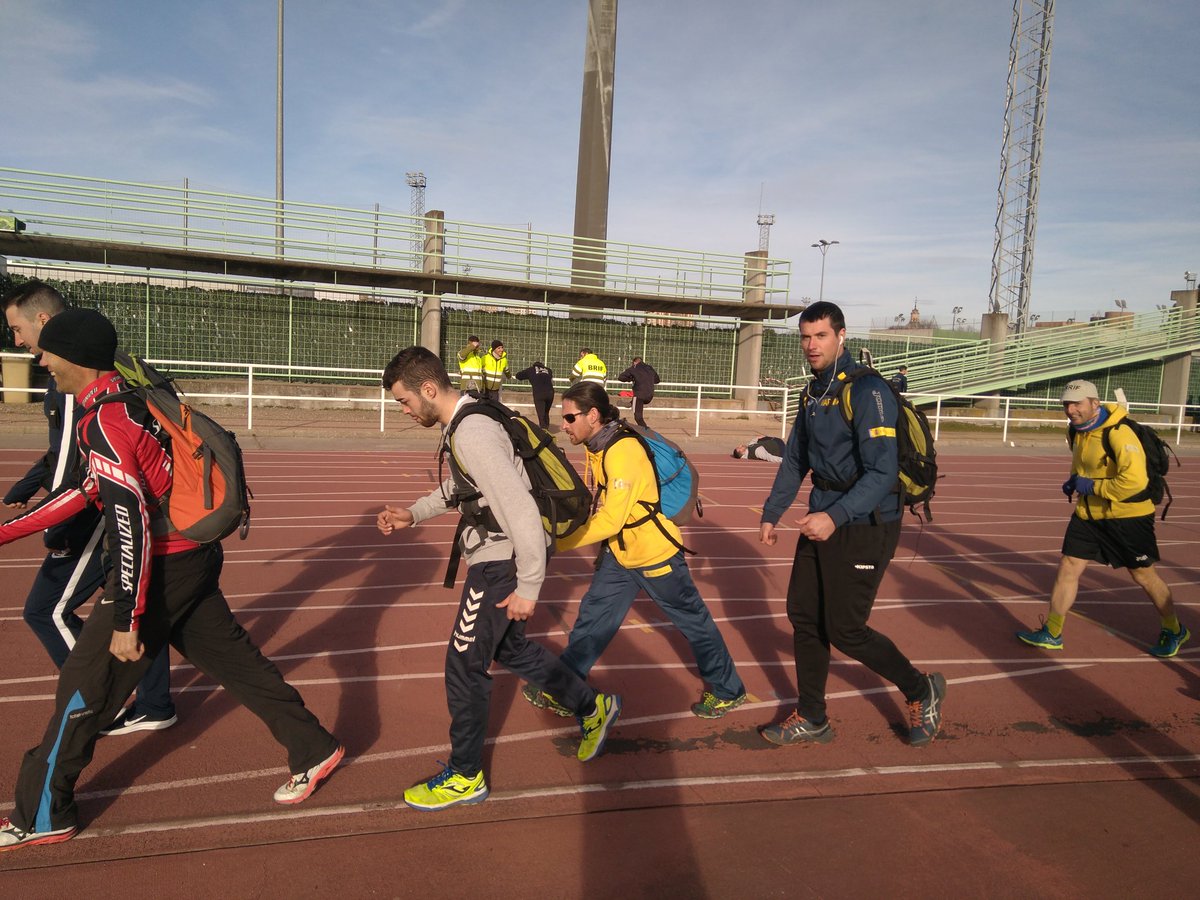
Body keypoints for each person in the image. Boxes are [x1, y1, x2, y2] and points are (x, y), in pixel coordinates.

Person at [0, 308, 343, 852]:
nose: (39, 360)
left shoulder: (105, 420)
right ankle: (314, 746)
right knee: (234, 661)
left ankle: (43, 812)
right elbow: (87, 490)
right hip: (193, 554)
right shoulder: (122, 403)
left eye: (47, 351)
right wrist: (6, 532)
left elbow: (129, 517)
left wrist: (126, 616)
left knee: (83, 691)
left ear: (75, 358)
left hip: (160, 568)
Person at [376, 347, 621, 812]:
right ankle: (592, 706)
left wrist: (529, 586)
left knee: (463, 663)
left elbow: (519, 507)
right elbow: (465, 486)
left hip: (500, 561)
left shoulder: (474, 431)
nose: (405, 411)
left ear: (429, 389)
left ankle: (465, 775)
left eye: (405, 401)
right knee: (508, 649)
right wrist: (414, 512)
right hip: (502, 555)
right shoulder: (470, 420)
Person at [757, 301, 946, 748]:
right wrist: (772, 511)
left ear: (842, 336)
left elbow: (881, 473)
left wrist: (834, 516)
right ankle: (813, 716)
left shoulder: (869, 392)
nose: (810, 345)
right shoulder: (813, 392)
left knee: (846, 628)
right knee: (804, 616)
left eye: (820, 336)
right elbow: (795, 460)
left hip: (865, 521)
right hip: (823, 515)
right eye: (805, 337)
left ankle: (922, 689)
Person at [3, 281, 176, 736]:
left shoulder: (72, 378)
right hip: (113, 509)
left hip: (95, 516)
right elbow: (65, 456)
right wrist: (28, 484)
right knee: (151, 614)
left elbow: (75, 472)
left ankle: (95, 701)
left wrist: (55, 532)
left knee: (49, 611)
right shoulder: (105, 367)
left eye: (18, 329)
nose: (18, 342)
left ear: (45, 322)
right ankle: (155, 702)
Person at [523, 382, 746, 720]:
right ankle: (565, 688)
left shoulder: (622, 450)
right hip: (621, 553)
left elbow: (611, 519)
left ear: (593, 415)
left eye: (569, 417)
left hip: (655, 555)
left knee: (694, 623)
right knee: (593, 618)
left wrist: (557, 542)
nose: (564, 424)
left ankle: (729, 690)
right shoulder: (599, 444)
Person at [1016, 380, 1190, 657]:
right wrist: (1074, 481)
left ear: (1095, 404)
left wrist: (1093, 486)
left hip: (1128, 517)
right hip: (1088, 515)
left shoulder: (1119, 433)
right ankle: (1052, 631)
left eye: (1077, 404)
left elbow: (1134, 482)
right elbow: (1083, 464)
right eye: (1066, 405)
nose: (1071, 410)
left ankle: (1174, 628)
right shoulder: (1076, 431)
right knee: (1068, 566)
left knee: (1143, 575)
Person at [618, 356, 660, 429]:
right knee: (636, 403)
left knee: (638, 417)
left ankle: (646, 431)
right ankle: (630, 403)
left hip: (639, 395)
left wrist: (631, 378)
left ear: (634, 362)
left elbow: (621, 377)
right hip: (650, 396)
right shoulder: (650, 368)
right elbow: (657, 380)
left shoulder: (634, 368)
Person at [515, 360, 555, 428]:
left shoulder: (530, 370)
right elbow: (549, 377)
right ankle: (546, 427)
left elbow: (518, 376)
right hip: (550, 393)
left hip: (539, 393)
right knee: (546, 412)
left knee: (541, 414)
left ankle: (544, 430)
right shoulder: (548, 370)